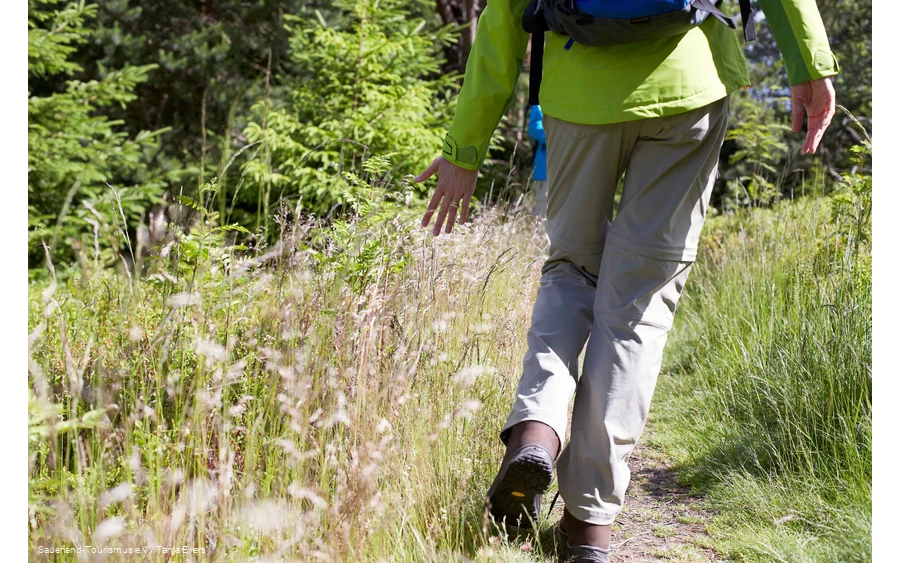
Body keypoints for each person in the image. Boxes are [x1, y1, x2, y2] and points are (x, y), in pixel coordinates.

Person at [414, 1, 837, 560]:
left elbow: (502, 19)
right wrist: (809, 63)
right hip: (690, 85)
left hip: (578, 93)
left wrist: (465, 148)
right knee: (637, 302)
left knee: (570, 270)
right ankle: (588, 522)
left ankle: (537, 428)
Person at [528, 104, 548, 217]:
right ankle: (539, 234)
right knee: (542, 210)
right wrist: (558, 137)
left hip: (567, 170)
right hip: (544, 171)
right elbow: (534, 128)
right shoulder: (539, 104)